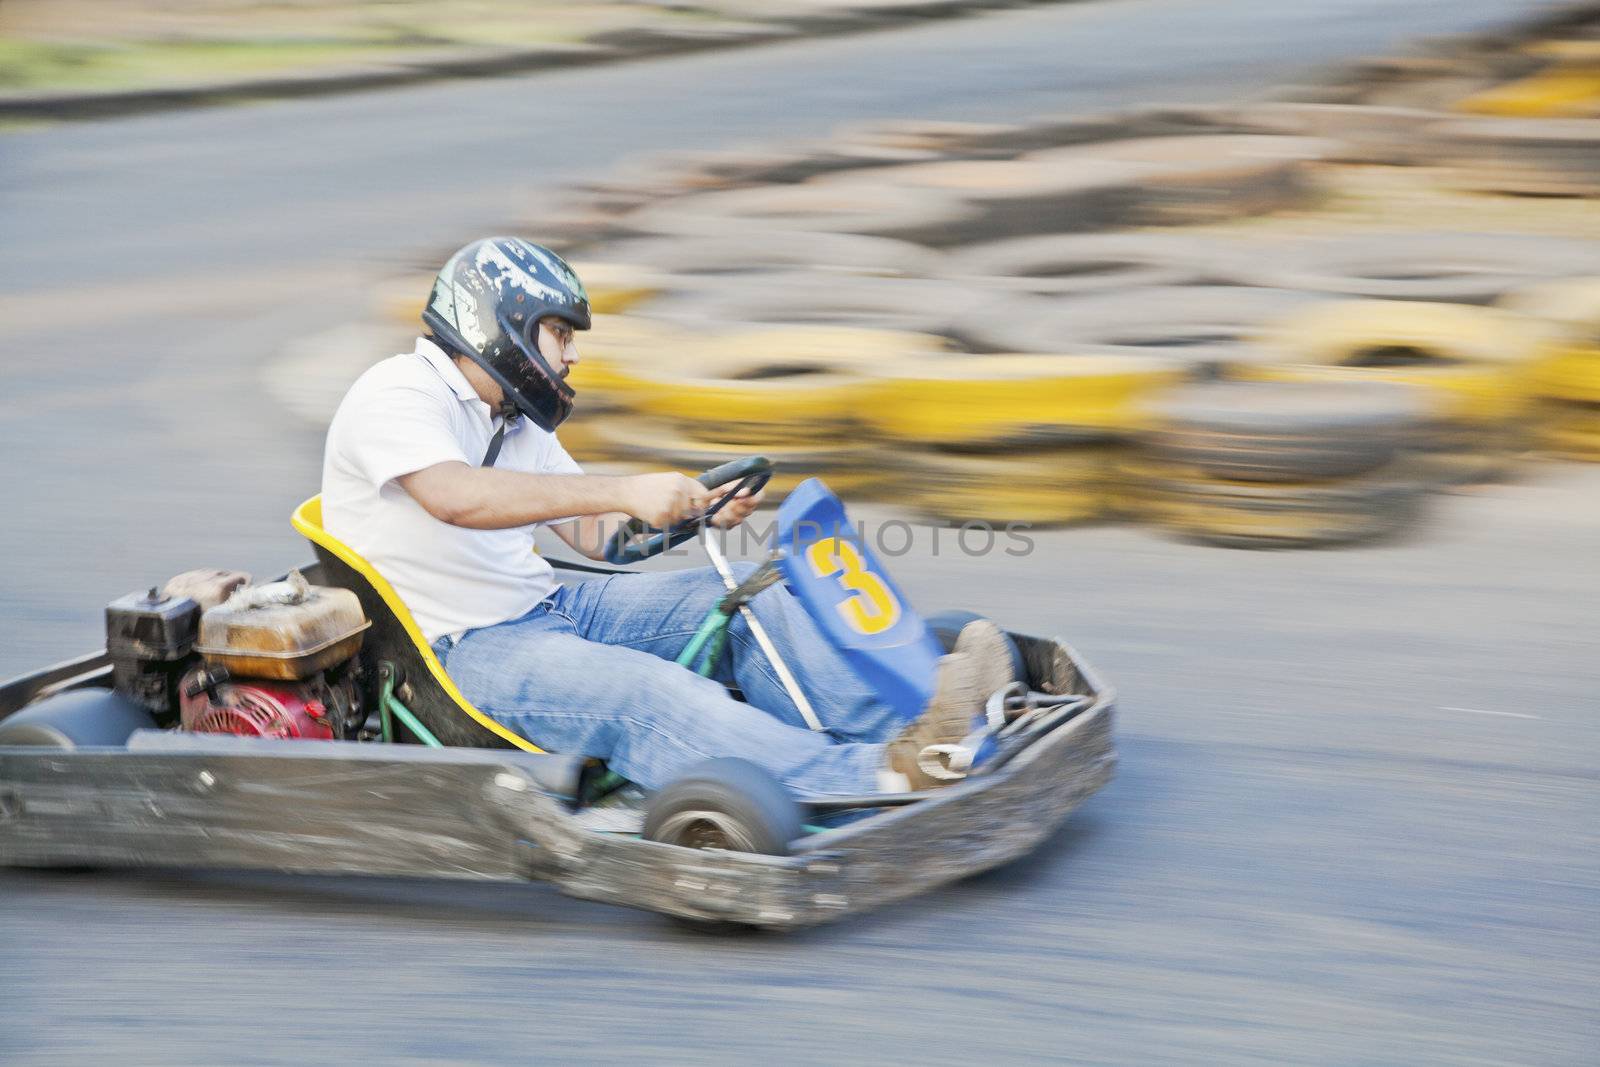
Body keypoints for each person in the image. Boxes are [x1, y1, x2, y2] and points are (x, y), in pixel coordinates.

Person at [321, 236, 1012, 795]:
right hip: (458, 658)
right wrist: (624, 487)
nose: (572, 353)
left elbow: (603, 538)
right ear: (499, 325)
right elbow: (457, 497)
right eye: (559, 332)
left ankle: (917, 728)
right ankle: (877, 776)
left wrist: (694, 512)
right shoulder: (398, 392)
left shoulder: (513, 419)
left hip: (551, 609)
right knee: (645, 692)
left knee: (740, 594)